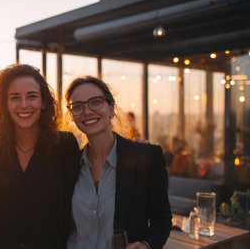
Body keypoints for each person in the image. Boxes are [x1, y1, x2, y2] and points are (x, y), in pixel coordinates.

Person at [0, 64, 81, 248]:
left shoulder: (65, 145)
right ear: (5, 105)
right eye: (15, 98)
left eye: (32, 96)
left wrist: (132, 149)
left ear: (43, 103)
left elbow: (93, 177)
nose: (24, 105)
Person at [65, 76, 172, 249]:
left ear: (111, 108)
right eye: (77, 106)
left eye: (95, 102)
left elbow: (162, 221)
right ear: (72, 115)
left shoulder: (146, 158)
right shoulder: (69, 164)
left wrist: (147, 245)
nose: (87, 111)